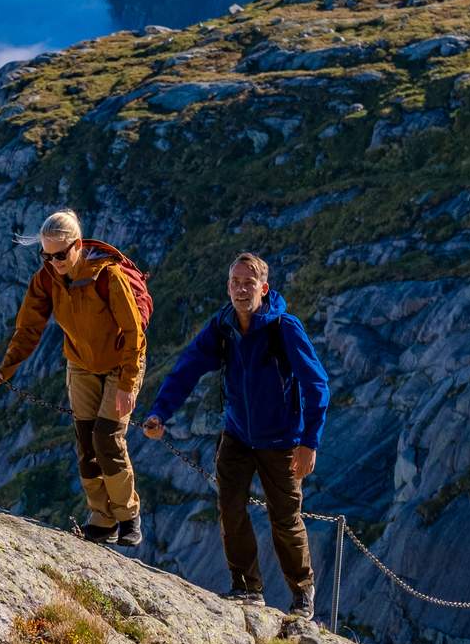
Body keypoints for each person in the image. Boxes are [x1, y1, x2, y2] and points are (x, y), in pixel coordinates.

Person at [140, 253, 330, 618]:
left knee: (285, 519)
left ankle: (302, 594)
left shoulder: (284, 328)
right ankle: (246, 588)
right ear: (228, 287)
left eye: (248, 283)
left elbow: (316, 384)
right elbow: (187, 369)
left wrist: (309, 442)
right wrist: (160, 412)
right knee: (230, 510)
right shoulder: (222, 326)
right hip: (238, 436)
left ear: (264, 287)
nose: (241, 289)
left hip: (281, 442)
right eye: (235, 282)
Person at [0, 209, 149, 546]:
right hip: (81, 364)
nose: (53, 261)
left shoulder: (107, 276)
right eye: (46, 254)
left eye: (60, 254)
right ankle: (102, 519)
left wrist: (128, 383)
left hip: (120, 363)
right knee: (86, 441)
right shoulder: (46, 280)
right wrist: (2, 372)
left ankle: (129, 518)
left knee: (107, 438)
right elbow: (27, 330)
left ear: (78, 245)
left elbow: (133, 332)